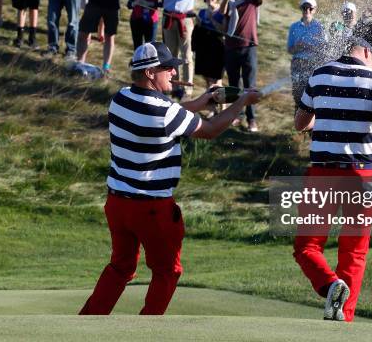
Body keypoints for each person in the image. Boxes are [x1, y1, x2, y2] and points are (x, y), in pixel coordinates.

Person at [78, 41, 261, 316]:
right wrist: (242, 103)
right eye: (167, 69)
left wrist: (202, 101)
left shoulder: (120, 98)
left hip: (117, 203)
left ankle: (86, 323)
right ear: (150, 73)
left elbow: (171, 113)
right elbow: (209, 129)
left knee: (121, 267)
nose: (173, 74)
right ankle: (147, 330)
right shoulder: (165, 112)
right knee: (167, 271)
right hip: (151, 209)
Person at [293, 37, 372, 322]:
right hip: (363, 175)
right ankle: (344, 314)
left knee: (307, 246)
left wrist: (326, 118)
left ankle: (330, 286)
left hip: (323, 174)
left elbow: (300, 123)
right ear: (366, 52)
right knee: (354, 251)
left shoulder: (319, 74)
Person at [220, 0, 270, 132]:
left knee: (249, 85)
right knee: (234, 84)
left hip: (249, 47)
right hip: (231, 47)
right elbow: (221, 13)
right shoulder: (230, 1)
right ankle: (236, 115)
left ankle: (251, 119)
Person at [159, 0, 204, 98]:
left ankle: (187, 88)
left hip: (185, 20)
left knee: (187, 55)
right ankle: (174, 85)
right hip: (169, 18)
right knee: (171, 54)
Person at [287, 0, 327, 108]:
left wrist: (310, 47)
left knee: (312, 92)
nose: (307, 11)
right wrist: (298, 46)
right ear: (301, 9)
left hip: (313, 63)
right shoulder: (294, 27)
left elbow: (324, 49)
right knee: (297, 92)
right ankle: (298, 118)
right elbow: (290, 50)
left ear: (314, 10)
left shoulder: (320, 27)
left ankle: (310, 121)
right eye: (304, 8)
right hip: (297, 62)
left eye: (310, 8)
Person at [193, 0, 225, 87]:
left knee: (216, 80)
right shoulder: (202, 12)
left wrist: (211, 18)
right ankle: (211, 101)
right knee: (207, 79)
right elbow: (199, 30)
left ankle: (222, 102)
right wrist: (198, 23)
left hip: (217, 49)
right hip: (204, 48)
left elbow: (222, 30)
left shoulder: (221, 12)